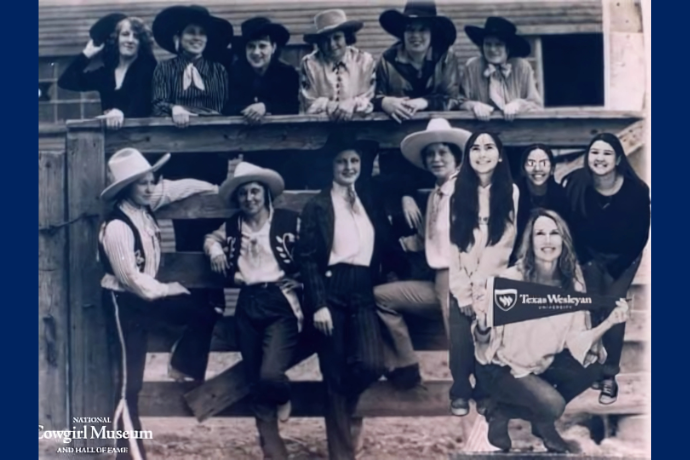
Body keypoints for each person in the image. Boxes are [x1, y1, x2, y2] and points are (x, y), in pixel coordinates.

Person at [98, 148, 222, 459]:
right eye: (142, 183)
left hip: (149, 298)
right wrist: (168, 289)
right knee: (130, 385)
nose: (150, 187)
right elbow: (131, 279)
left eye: (152, 181)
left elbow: (179, 188)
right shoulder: (117, 226)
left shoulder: (147, 204)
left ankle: (183, 364)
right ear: (127, 187)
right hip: (124, 303)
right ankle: (129, 455)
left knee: (205, 310)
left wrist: (213, 189)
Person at [472, 209, 630, 453]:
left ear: (563, 240)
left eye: (554, 233)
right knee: (552, 406)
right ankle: (513, 414)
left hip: (540, 366)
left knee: (594, 365)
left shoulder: (573, 284)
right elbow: (486, 346)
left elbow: (577, 341)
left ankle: (520, 414)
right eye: (540, 234)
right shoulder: (511, 279)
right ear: (531, 241)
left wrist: (609, 322)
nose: (547, 240)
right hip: (502, 369)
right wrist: (482, 323)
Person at [297, 135, 409, 460]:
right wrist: (318, 304)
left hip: (363, 290)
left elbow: (386, 239)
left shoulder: (368, 200)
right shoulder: (318, 205)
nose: (349, 167)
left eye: (354, 161)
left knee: (372, 364)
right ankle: (342, 455)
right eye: (342, 162)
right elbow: (306, 259)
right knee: (332, 375)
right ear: (331, 167)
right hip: (330, 291)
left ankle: (341, 399)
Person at [203, 162, 303, 460]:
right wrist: (216, 251)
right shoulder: (234, 225)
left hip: (280, 301)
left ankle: (282, 392)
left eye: (255, 191)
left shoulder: (287, 220)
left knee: (270, 375)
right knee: (254, 377)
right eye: (244, 193)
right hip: (247, 302)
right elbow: (210, 238)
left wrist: (299, 279)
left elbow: (314, 250)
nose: (249, 198)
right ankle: (274, 452)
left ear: (266, 194)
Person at [374, 118, 471, 390]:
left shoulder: (468, 191)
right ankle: (406, 365)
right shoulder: (434, 195)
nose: (436, 159)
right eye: (430, 154)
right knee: (381, 298)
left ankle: (480, 430)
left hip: (462, 281)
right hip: (437, 280)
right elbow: (422, 242)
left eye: (442, 153)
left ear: (456, 157)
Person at [563, 132, 651, 405]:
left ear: (618, 160)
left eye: (606, 153)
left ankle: (610, 375)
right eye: (594, 153)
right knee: (591, 307)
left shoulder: (637, 191)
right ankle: (591, 368)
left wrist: (616, 266)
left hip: (624, 258)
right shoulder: (577, 184)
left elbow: (639, 236)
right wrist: (586, 260)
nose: (599, 158)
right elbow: (572, 226)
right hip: (590, 255)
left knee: (615, 308)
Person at [448, 131, 519, 416]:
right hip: (462, 279)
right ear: (468, 156)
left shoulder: (510, 190)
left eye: (489, 148)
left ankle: (485, 392)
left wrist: (481, 288)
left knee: (489, 335)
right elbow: (452, 245)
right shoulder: (456, 190)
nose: (482, 153)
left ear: (500, 155)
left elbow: (503, 244)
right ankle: (460, 390)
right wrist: (463, 290)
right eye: (475, 148)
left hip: (493, 281)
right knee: (460, 338)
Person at [57, 13, 157, 129]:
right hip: (111, 141)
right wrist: (86, 55)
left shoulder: (149, 68)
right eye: (125, 34)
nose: (130, 40)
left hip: (143, 139)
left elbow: (143, 102)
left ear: (141, 43)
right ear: (116, 39)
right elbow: (66, 81)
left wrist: (121, 113)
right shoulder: (106, 73)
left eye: (136, 37)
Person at [374, 0, 462, 123]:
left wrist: (425, 102)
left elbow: (454, 99)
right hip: (395, 130)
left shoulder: (445, 57)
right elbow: (373, 97)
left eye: (422, 29)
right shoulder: (387, 59)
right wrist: (384, 102)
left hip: (438, 128)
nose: (415, 35)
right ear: (403, 32)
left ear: (432, 32)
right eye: (410, 29)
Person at [151, 5, 233, 127]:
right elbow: (157, 105)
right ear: (178, 37)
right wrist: (174, 109)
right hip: (173, 135)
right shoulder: (165, 68)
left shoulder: (218, 70)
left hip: (213, 133)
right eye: (190, 32)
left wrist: (192, 113)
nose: (197, 38)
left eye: (202, 33)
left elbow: (220, 108)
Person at [299, 9, 376, 121]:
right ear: (319, 43)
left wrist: (352, 103)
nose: (332, 45)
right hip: (320, 130)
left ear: (347, 37)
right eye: (325, 40)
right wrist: (331, 106)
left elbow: (370, 99)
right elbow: (308, 102)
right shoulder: (310, 63)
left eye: (337, 37)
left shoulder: (364, 61)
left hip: (359, 126)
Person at [461, 17, 543, 121]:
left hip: (517, 129)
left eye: (498, 44)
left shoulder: (522, 67)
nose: (492, 49)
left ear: (508, 48)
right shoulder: (472, 66)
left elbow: (536, 105)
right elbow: (459, 102)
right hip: (481, 129)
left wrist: (519, 104)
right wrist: (474, 105)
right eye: (488, 44)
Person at [227, 17, 300, 122]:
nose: (256, 52)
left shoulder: (287, 74)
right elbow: (228, 107)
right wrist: (248, 111)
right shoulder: (234, 72)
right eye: (251, 46)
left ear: (273, 48)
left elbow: (292, 107)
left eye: (262, 46)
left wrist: (266, 107)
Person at [511, 144, 571, 264]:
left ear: (553, 169)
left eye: (543, 163)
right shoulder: (512, 194)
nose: (537, 168)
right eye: (531, 163)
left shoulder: (562, 196)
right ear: (523, 169)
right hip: (516, 256)